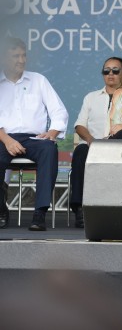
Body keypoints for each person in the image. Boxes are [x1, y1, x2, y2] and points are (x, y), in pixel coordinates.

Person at [0, 37, 68, 231]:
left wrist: (53, 132)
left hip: (34, 139)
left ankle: (39, 213)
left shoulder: (38, 80)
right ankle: (0, 209)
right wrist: (6, 140)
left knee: (49, 149)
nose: (21, 60)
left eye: (24, 55)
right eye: (15, 56)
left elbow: (59, 111)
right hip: (3, 137)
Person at [69, 56, 122, 228]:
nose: (110, 74)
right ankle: (80, 209)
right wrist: (91, 140)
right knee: (80, 152)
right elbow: (79, 125)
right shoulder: (91, 97)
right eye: (106, 70)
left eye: (115, 70)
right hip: (94, 145)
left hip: (120, 147)